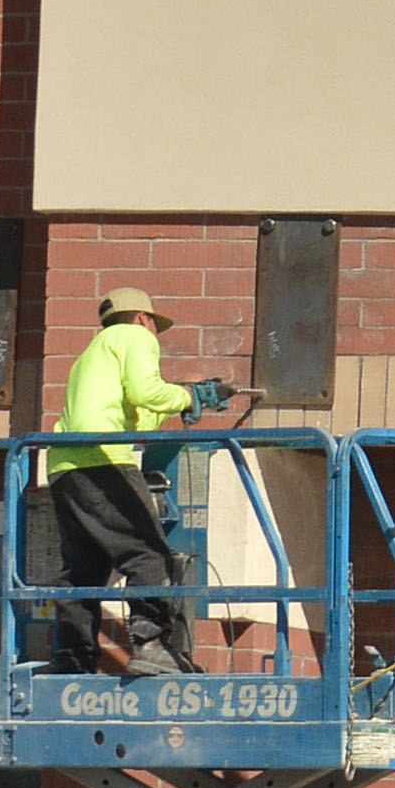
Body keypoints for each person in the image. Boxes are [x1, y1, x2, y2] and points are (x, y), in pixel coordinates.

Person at [44, 288, 248, 676]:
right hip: (102, 458)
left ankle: (72, 658)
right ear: (142, 318)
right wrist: (189, 394)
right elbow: (147, 391)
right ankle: (151, 645)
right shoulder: (134, 337)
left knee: (83, 569)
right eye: (154, 324)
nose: (155, 334)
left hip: (65, 464)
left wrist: (190, 401)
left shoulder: (92, 357)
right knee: (148, 553)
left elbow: (139, 417)